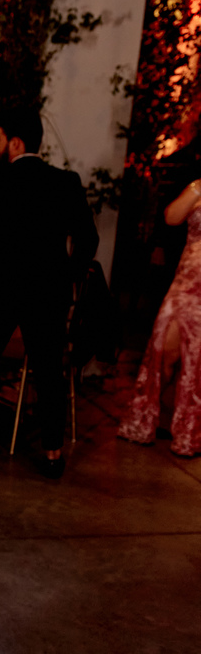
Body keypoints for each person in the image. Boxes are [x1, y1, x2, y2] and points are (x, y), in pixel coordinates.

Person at [0, 110, 99, 479]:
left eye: (0, 138)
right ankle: (52, 454)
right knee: (49, 370)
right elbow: (89, 240)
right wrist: (67, 276)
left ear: (16, 142)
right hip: (47, 292)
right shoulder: (65, 182)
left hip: (1, 290)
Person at [121, 180, 201, 455]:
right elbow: (172, 217)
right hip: (187, 286)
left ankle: (190, 431)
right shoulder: (198, 187)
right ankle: (147, 418)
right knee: (164, 351)